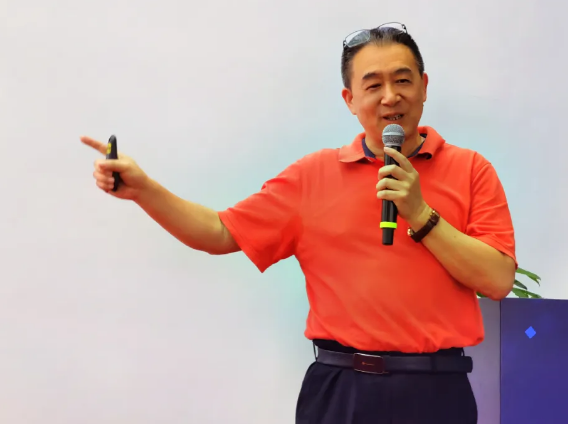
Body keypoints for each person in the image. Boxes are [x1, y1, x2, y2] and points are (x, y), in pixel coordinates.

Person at [82, 22, 516, 424]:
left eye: (402, 80)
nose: (390, 96)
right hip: (340, 391)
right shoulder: (313, 176)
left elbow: (497, 279)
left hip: (436, 392)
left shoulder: (471, 170)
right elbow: (219, 232)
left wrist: (420, 214)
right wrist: (144, 190)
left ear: (424, 87)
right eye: (373, 85)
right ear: (350, 100)